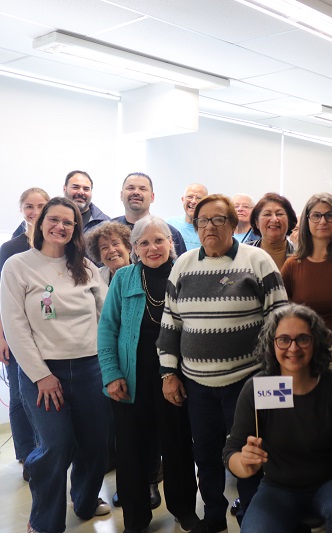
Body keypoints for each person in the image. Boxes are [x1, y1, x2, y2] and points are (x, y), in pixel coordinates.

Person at [158, 194, 288, 532]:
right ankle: (214, 515)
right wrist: (168, 373)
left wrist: (276, 378)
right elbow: (170, 323)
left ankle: (253, 517)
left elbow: (280, 321)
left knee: (252, 452)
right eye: (202, 221)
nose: (209, 227)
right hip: (197, 385)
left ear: (233, 224)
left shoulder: (257, 260)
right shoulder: (183, 264)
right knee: (205, 454)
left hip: (249, 381)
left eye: (218, 219)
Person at [1, 197, 111, 533]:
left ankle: (85, 500)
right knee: (56, 445)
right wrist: (41, 375)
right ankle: (44, 520)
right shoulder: (18, 266)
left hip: (90, 368)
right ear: (41, 222)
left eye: (68, 222)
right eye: (54, 219)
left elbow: (105, 315)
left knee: (96, 443)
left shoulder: (86, 267)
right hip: (44, 372)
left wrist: (107, 365)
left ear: (76, 229)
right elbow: (16, 327)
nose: (60, 227)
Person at [223, 304, 332, 532]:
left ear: (316, 342)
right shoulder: (256, 388)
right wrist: (244, 464)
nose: (293, 348)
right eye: (283, 339)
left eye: (303, 339)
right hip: (277, 488)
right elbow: (231, 451)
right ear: (272, 343)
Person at [97, 216, 200, 533]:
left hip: (177, 375)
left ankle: (184, 510)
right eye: (144, 242)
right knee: (131, 452)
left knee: (178, 446)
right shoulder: (123, 278)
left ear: (171, 242)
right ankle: (136, 518)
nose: (152, 248)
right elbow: (107, 328)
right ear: (134, 248)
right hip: (131, 377)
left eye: (159, 240)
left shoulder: (186, 273)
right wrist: (111, 373)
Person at [0, 187, 50, 480]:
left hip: (46, 335)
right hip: (15, 334)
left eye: (41, 205)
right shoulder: (10, 248)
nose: (35, 211)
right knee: (19, 397)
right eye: (29, 206)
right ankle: (26, 456)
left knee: (43, 395)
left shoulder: (54, 243)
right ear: (21, 210)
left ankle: (46, 450)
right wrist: (2, 336)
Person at [280, 193, 332, 376]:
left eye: (329, 215)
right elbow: (280, 315)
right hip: (301, 356)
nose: (323, 221)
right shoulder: (292, 265)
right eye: (316, 215)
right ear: (307, 220)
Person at [111, 172, 187, 256]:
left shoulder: (170, 233)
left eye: (142, 189)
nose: (136, 192)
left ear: (152, 197)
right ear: (121, 195)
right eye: (130, 188)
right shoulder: (108, 232)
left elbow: (182, 263)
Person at [247, 192, 297, 270]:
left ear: (289, 221)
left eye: (279, 214)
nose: (274, 219)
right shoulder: (243, 254)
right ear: (257, 222)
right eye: (267, 214)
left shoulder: (301, 256)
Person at [166, 183, 208, 250]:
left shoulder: (210, 229)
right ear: (183, 199)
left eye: (199, 198)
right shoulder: (169, 224)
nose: (193, 201)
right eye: (189, 197)